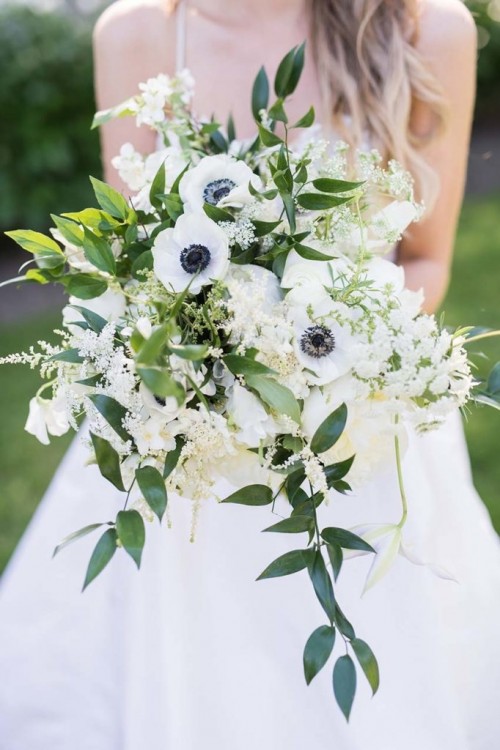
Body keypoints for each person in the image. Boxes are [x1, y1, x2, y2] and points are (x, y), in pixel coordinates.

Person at [0, 1, 499, 748]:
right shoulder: (135, 35)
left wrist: (328, 351)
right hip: (190, 452)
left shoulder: (425, 31)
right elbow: (136, 273)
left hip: (358, 443)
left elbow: (425, 260)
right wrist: (219, 360)